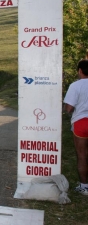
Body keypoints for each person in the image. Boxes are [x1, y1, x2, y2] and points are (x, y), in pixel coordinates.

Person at [64, 59, 88, 195]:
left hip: (81, 122)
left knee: (82, 155)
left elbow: (68, 108)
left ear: (80, 71)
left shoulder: (75, 85)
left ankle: (84, 186)